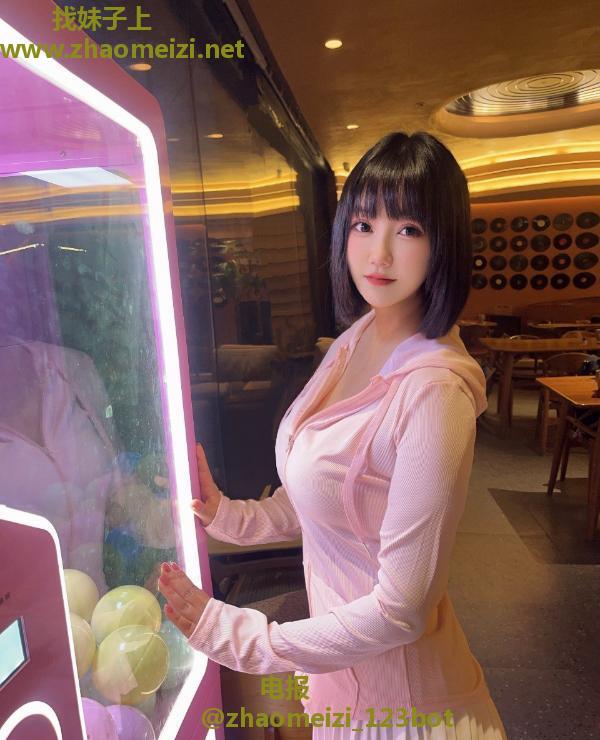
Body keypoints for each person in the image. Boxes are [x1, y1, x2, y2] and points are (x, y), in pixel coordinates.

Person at [158, 131, 508, 738]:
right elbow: (328, 498)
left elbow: (402, 609)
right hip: (342, 687)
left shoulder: (433, 394)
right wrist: (228, 515)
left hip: (406, 711)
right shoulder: (356, 339)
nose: (380, 254)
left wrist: (241, 637)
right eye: (364, 224)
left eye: (408, 229)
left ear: (444, 242)